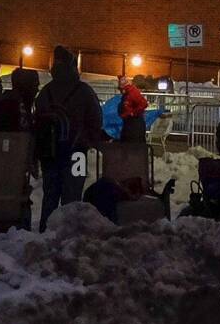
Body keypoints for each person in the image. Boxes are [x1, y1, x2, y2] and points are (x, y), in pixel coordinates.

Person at [34, 45, 104, 232]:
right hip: (77, 153)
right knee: (73, 196)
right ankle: (69, 234)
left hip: (50, 153)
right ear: (73, 67)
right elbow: (96, 121)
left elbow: (38, 122)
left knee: (50, 196)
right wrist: (89, 140)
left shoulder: (45, 92)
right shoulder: (85, 91)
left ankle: (45, 232)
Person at [117, 75, 148, 143]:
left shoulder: (132, 93)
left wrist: (133, 113)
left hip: (133, 124)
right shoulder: (129, 92)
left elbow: (144, 104)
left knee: (131, 144)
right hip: (130, 122)